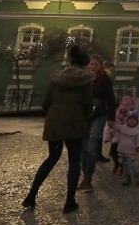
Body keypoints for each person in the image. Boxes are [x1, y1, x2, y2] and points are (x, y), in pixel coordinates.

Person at [23, 45, 94, 214]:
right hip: (74, 124)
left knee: (52, 158)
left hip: (54, 124)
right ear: (85, 64)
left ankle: (31, 196)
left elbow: (45, 103)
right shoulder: (85, 80)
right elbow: (88, 105)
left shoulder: (57, 78)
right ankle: (69, 202)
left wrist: (55, 113)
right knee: (74, 162)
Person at [79, 53, 116, 192]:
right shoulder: (83, 78)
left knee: (91, 145)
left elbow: (111, 99)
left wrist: (112, 118)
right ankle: (84, 176)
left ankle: (89, 178)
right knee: (82, 147)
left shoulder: (105, 79)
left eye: (96, 64)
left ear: (100, 66)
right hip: (84, 116)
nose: (93, 67)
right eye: (91, 64)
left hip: (99, 115)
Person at [114, 110, 139, 186]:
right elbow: (115, 127)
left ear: (137, 121)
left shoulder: (138, 131)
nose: (132, 121)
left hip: (131, 152)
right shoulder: (123, 128)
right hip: (123, 152)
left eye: (135, 120)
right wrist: (113, 118)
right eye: (130, 119)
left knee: (132, 165)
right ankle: (127, 178)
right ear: (127, 120)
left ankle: (138, 176)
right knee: (125, 167)